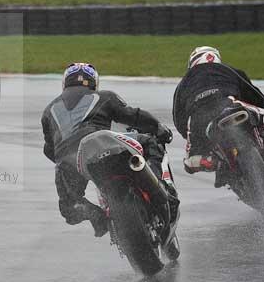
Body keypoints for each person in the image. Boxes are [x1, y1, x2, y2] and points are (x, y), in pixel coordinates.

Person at [41, 62, 175, 237]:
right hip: (101, 143)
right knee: (151, 143)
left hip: (70, 158)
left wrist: (69, 162)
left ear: (65, 82)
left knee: (69, 207)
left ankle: (94, 213)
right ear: (94, 82)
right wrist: (159, 129)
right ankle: (163, 188)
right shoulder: (104, 97)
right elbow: (134, 116)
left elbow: (49, 150)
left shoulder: (48, 111)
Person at [172, 46, 264, 184]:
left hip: (198, 120)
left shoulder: (184, 82)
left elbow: (178, 119)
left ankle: (217, 163)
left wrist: (195, 138)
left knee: (189, 163)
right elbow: (259, 98)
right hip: (228, 105)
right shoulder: (228, 70)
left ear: (192, 63)